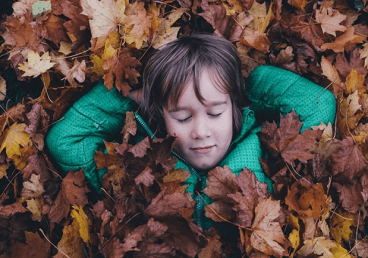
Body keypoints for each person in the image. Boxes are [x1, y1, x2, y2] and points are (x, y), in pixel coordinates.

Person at [46, 33, 336, 229]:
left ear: (234, 106)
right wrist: (132, 96)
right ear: (161, 117)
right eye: (182, 117)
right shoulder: (139, 170)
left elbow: (319, 104)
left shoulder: (264, 149)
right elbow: (65, 140)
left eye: (215, 112)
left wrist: (248, 86)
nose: (201, 131)